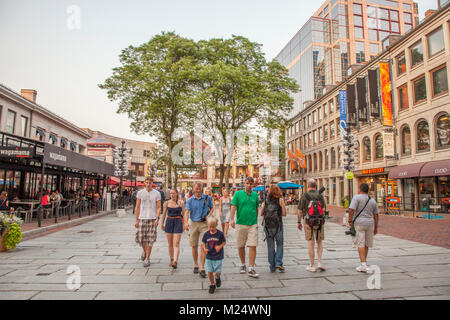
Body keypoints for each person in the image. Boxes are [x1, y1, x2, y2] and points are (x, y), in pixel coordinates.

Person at [230, 176, 260, 278]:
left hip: (252, 224)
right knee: (240, 245)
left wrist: (256, 221)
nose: (249, 185)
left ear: (253, 185)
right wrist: (231, 219)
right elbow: (233, 206)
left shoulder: (255, 195)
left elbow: (256, 208)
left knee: (253, 245)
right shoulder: (238, 194)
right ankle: (243, 264)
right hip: (240, 223)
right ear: (244, 184)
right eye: (247, 183)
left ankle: (251, 268)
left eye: (251, 184)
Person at [184, 182, 214, 278]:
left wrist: (208, 216)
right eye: (196, 188)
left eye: (199, 188)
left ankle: (202, 267)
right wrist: (185, 222)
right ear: (193, 189)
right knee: (193, 245)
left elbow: (212, 208)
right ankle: (195, 264)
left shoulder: (207, 198)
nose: (198, 190)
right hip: (193, 224)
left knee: (203, 245)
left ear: (201, 188)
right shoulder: (190, 200)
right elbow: (187, 212)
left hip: (204, 225)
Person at [348, 183, 379, 273]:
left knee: (360, 243)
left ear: (360, 189)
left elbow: (352, 210)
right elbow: (376, 214)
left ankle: (363, 264)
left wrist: (350, 221)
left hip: (359, 223)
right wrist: (376, 226)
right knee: (366, 243)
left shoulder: (356, 198)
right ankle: (364, 262)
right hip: (370, 223)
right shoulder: (372, 200)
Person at [298, 179, 326, 273]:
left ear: (308, 186)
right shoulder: (320, 196)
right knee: (319, 242)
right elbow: (323, 209)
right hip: (319, 221)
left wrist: (299, 222)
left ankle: (312, 265)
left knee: (311, 242)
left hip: (308, 221)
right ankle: (319, 263)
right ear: (315, 186)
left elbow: (300, 211)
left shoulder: (304, 196)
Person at [135, 176, 161, 267]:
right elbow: (137, 206)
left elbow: (158, 207)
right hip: (142, 218)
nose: (148, 184)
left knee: (150, 239)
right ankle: (144, 251)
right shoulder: (140, 193)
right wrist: (136, 220)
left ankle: (147, 258)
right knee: (141, 239)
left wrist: (157, 218)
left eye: (150, 183)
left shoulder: (157, 193)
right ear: (144, 183)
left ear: (152, 184)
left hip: (152, 218)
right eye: (147, 182)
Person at [261, 184, 286, 272]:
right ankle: (278, 262)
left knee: (270, 246)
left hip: (268, 226)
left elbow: (261, 213)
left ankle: (272, 265)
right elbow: (284, 213)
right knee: (280, 244)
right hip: (278, 225)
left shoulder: (266, 201)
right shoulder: (280, 200)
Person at [161, 188, 185, 269]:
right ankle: (171, 259)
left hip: (178, 222)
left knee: (176, 243)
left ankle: (175, 261)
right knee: (170, 243)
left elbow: (184, 214)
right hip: (169, 222)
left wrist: (185, 224)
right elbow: (164, 214)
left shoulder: (181, 202)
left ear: (177, 194)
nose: (172, 194)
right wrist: (161, 223)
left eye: (173, 193)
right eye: (171, 193)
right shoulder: (166, 203)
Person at [202, 216, 226, 294]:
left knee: (217, 272)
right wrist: (204, 249)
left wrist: (220, 246)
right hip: (209, 256)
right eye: (210, 227)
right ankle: (212, 284)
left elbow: (224, 242)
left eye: (213, 227)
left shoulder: (220, 234)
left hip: (218, 256)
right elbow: (203, 243)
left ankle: (217, 277)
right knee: (209, 271)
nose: (211, 228)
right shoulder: (206, 234)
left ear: (216, 225)